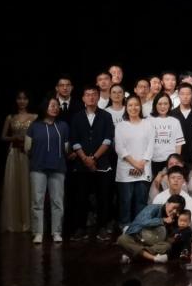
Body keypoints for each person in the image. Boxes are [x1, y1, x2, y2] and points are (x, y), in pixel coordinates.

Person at [68, 86, 115, 241]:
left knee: (103, 198)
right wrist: (85, 159)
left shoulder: (106, 116)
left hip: (102, 164)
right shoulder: (77, 117)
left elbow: (108, 140)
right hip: (81, 165)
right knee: (81, 198)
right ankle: (80, 228)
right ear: (83, 98)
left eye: (94, 94)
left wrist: (94, 158)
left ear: (98, 97)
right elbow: (74, 141)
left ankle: (102, 228)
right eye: (87, 95)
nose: (91, 97)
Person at [27, 96, 71, 244]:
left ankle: (56, 232)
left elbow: (66, 148)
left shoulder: (63, 126)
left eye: (57, 105)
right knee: (37, 201)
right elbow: (27, 148)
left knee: (57, 201)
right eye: (52, 105)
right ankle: (38, 233)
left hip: (58, 168)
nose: (55, 108)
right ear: (44, 107)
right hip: (38, 168)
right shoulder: (34, 126)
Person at [115, 95, 155, 231]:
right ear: (126, 108)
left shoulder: (148, 124)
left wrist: (141, 163)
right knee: (125, 201)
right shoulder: (121, 126)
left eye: (136, 105)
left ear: (140, 107)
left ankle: (139, 227)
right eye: (130, 105)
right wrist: (135, 164)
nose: (133, 108)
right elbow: (120, 148)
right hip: (125, 169)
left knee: (141, 200)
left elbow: (150, 146)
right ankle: (125, 226)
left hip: (144, 168)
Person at [1, 90, 37, 233]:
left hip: (28, 154)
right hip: (14, 154)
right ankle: (13, 221)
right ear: (16, 100)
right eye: (19, 98)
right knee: (14, 185)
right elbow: (3, 136)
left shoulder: (34, 117)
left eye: (25, 98)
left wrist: (28, 142)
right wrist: (14, 138)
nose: (22, 101)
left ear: (29, 100)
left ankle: (28, 222)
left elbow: (38, 137)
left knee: (28, 185)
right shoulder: (10, 117)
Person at [117, 194, 186, 265]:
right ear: (167, 203)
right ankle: (153, 258)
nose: (175, 211)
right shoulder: (153, 208)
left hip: (152, 245)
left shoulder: (174, 219)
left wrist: (172, 238)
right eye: (174, 207)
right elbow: (142, 222)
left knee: (167, 246)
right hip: (137, 239)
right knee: (122, 239)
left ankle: (132, 254)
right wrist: (162, 220)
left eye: (178, 210)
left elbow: (167, 237)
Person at [148, 93, 185, 177]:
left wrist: (176, 162)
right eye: (160, 104)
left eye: (165, 104)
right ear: (155, 105)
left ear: (169, 105)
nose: (163, 106)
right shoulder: (148, 121)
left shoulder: (175, 121)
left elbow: (178, 144)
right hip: (153, 160)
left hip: (170, 162)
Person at [169, 83, 192, 164]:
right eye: (182, 94)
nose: (185, 97)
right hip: (176, 156)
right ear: (178, 95)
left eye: (188, 94)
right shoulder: (171, 114)